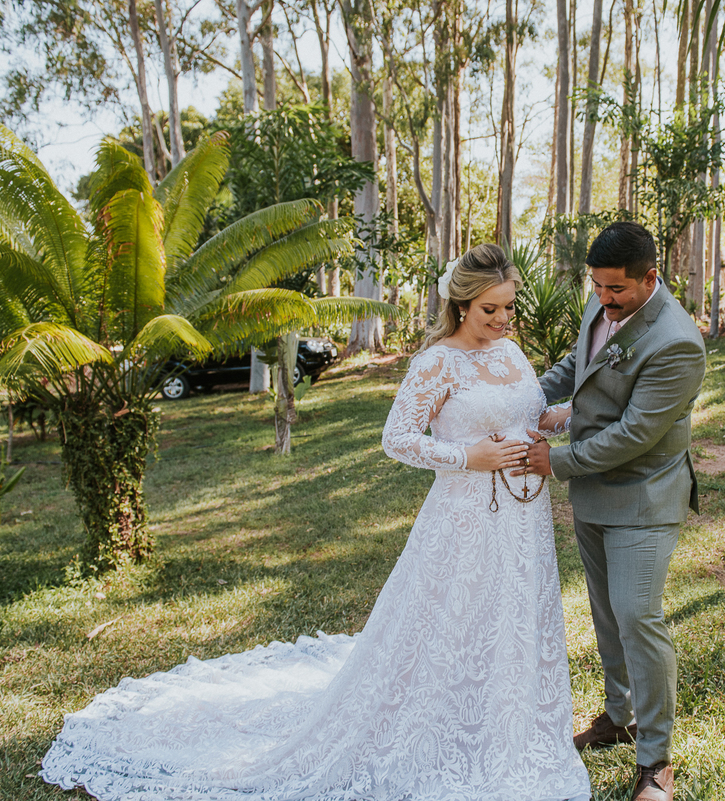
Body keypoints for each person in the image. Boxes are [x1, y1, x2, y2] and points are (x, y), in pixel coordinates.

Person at [39, 243, 591, 801]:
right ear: (461, 303)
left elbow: (528, 416)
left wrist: (576, 410)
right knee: (452, 621)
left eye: (507, 308)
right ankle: (436, 724)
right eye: (489, 309)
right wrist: (467, 456)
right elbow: (397, 440)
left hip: (523, 521)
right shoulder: (436, 362)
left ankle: (507, 722)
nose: (500, 320)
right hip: (465, 520)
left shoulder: (513, 354)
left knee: (511, 617)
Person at [514, 222, 706, 801]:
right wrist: (522, 397)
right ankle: (616, 717)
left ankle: (657, 762)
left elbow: (635, 435)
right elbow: (578, 368)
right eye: (595, 286)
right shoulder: (603, 301)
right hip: (594, 496)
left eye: (615, 289)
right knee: (605, 616)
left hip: (643, 497)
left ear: (651, 278)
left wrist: (557, 462)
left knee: (637, 618)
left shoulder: (676, 342)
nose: (602, 297)